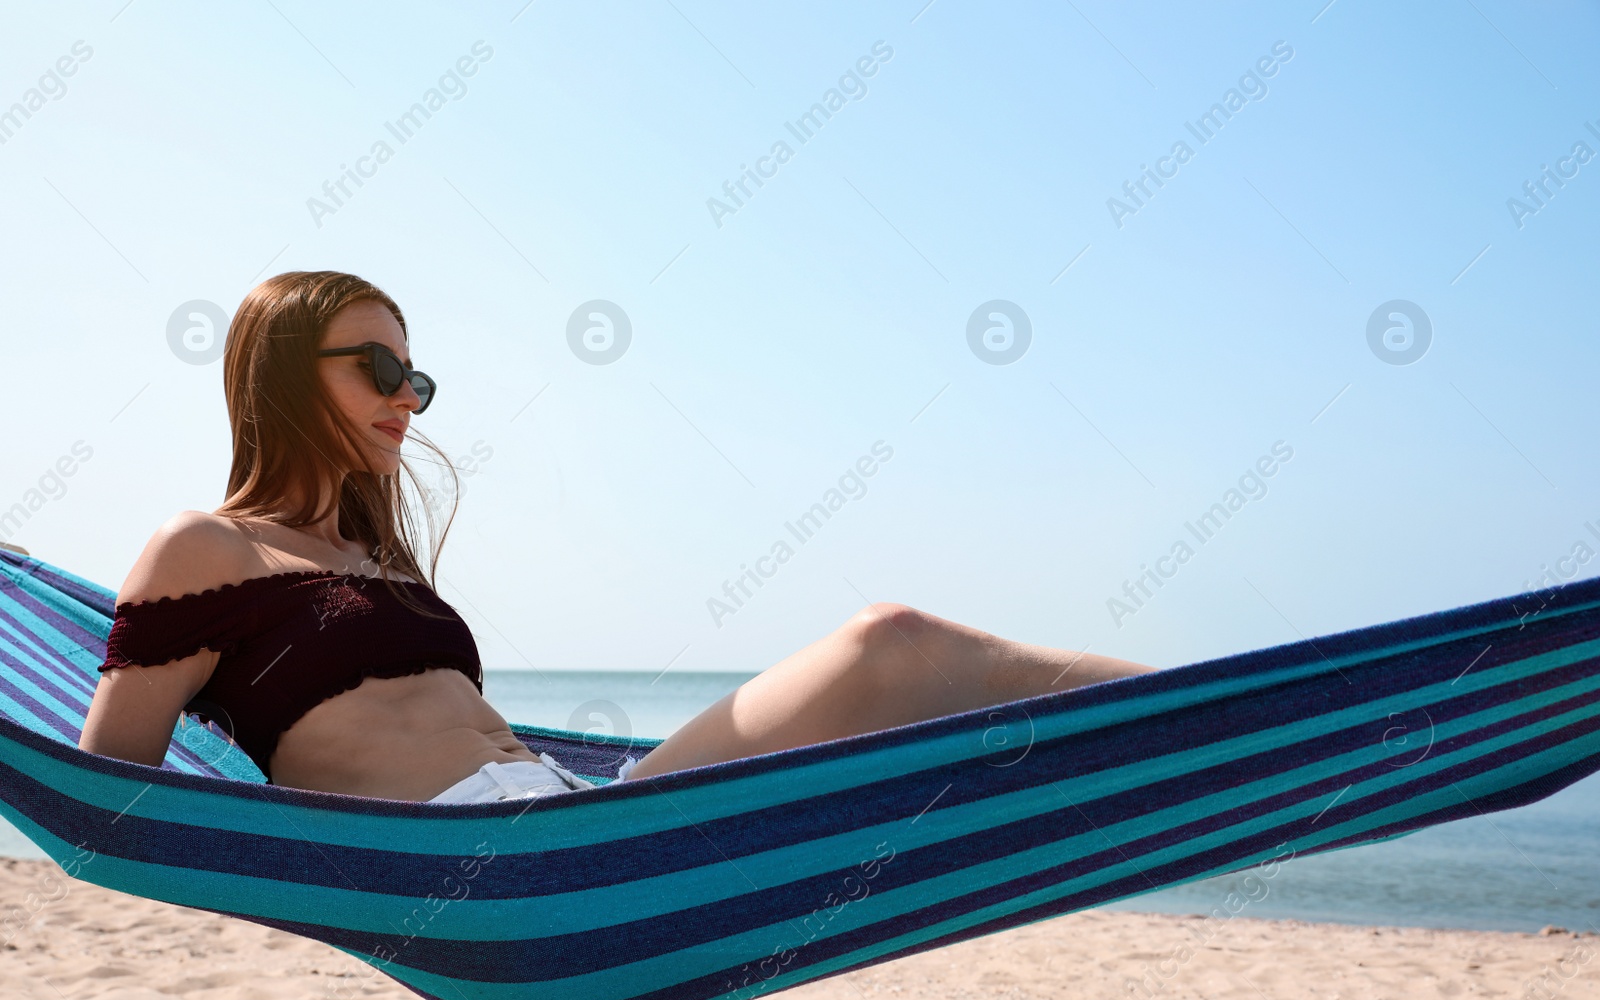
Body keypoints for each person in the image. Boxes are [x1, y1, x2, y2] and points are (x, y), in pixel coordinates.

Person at [79, 271, 1154, 804]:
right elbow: (107, 798)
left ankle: (1245, 729)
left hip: (572, 814)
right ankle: (1242, 704)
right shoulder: (205, 548)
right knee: (892, 643)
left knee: (912, 733)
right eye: (378, 369)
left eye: (418, 378)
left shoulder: (376, 563)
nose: (405, 397)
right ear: (279, 371)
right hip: (501, 863)